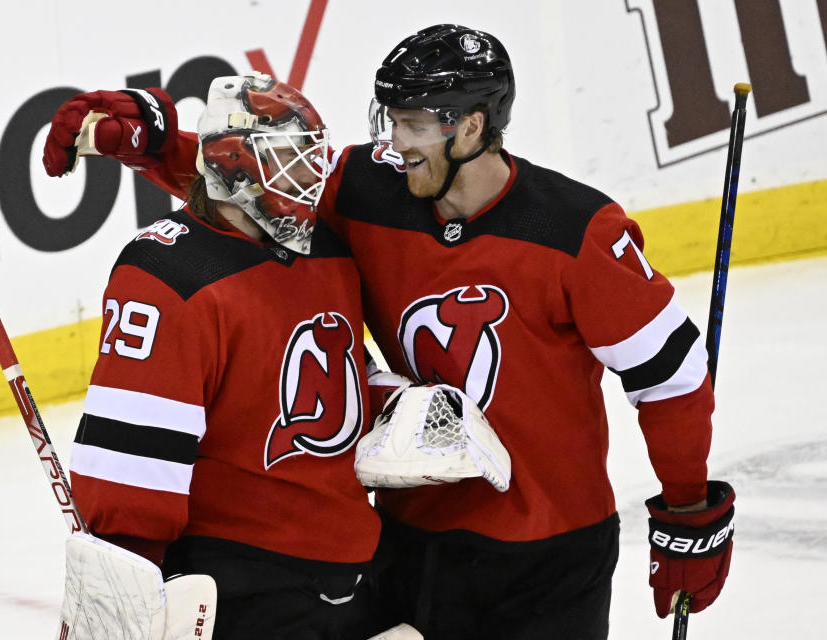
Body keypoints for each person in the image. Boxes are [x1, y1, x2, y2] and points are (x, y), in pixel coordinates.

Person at [51, 25, 736, 640]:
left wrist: (688, 512)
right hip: (410, 542)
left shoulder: (578, 231)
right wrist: (151, 139)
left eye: (412, 126)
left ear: (470, 128)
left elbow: (672, 375)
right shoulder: (367, 191)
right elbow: (256, 183)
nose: (393, 143)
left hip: (549, 552)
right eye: (391, 121)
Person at [43, 73, 390, 640]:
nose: (310, 179)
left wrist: (399, 406)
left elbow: (338, 376)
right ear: (234, 165)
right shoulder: (168, 273)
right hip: (241, 585)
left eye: (311, 160)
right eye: (287, 161)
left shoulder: (324, 250)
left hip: (354, 567)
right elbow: (133, 460)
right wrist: (124, 584)